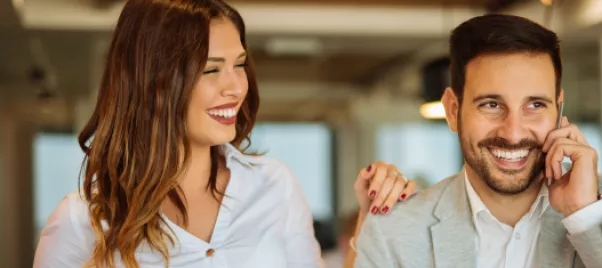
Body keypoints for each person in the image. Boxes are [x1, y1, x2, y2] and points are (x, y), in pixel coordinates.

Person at [32, 0, 416, 267]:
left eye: (240, 64)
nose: (236, 86)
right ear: (153, 83)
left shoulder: (274, 185)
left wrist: (369, 217)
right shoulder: (81, 221)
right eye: (211, 69)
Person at [353, 14, 602, 268]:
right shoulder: (395, 229)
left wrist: (585, 213)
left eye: (535, 105)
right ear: (453, 110)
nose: (514, 132)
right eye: (491, 105)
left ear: (558, 107)